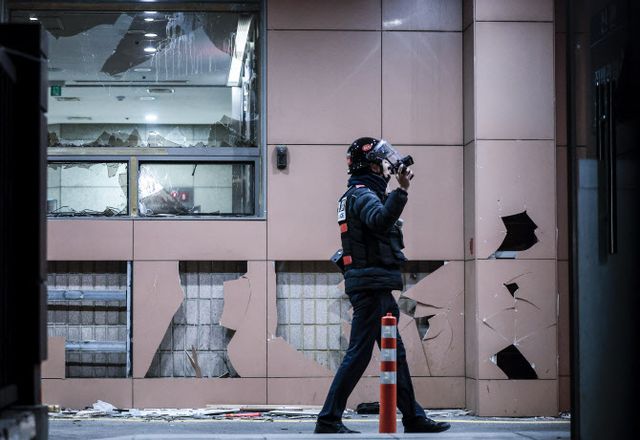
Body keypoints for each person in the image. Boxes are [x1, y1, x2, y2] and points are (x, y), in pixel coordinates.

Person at [314, 137, 451, 434]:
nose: (386, 168)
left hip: (372, 285)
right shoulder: (363, 195)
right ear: (371, 166)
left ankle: (412, 417)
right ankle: (328, 419)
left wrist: (394, 192)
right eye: (381, 163)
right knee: (359, 354)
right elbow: (379, 221)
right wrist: (402, 190)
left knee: (393, 354)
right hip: (371, 287)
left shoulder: (357, 194)